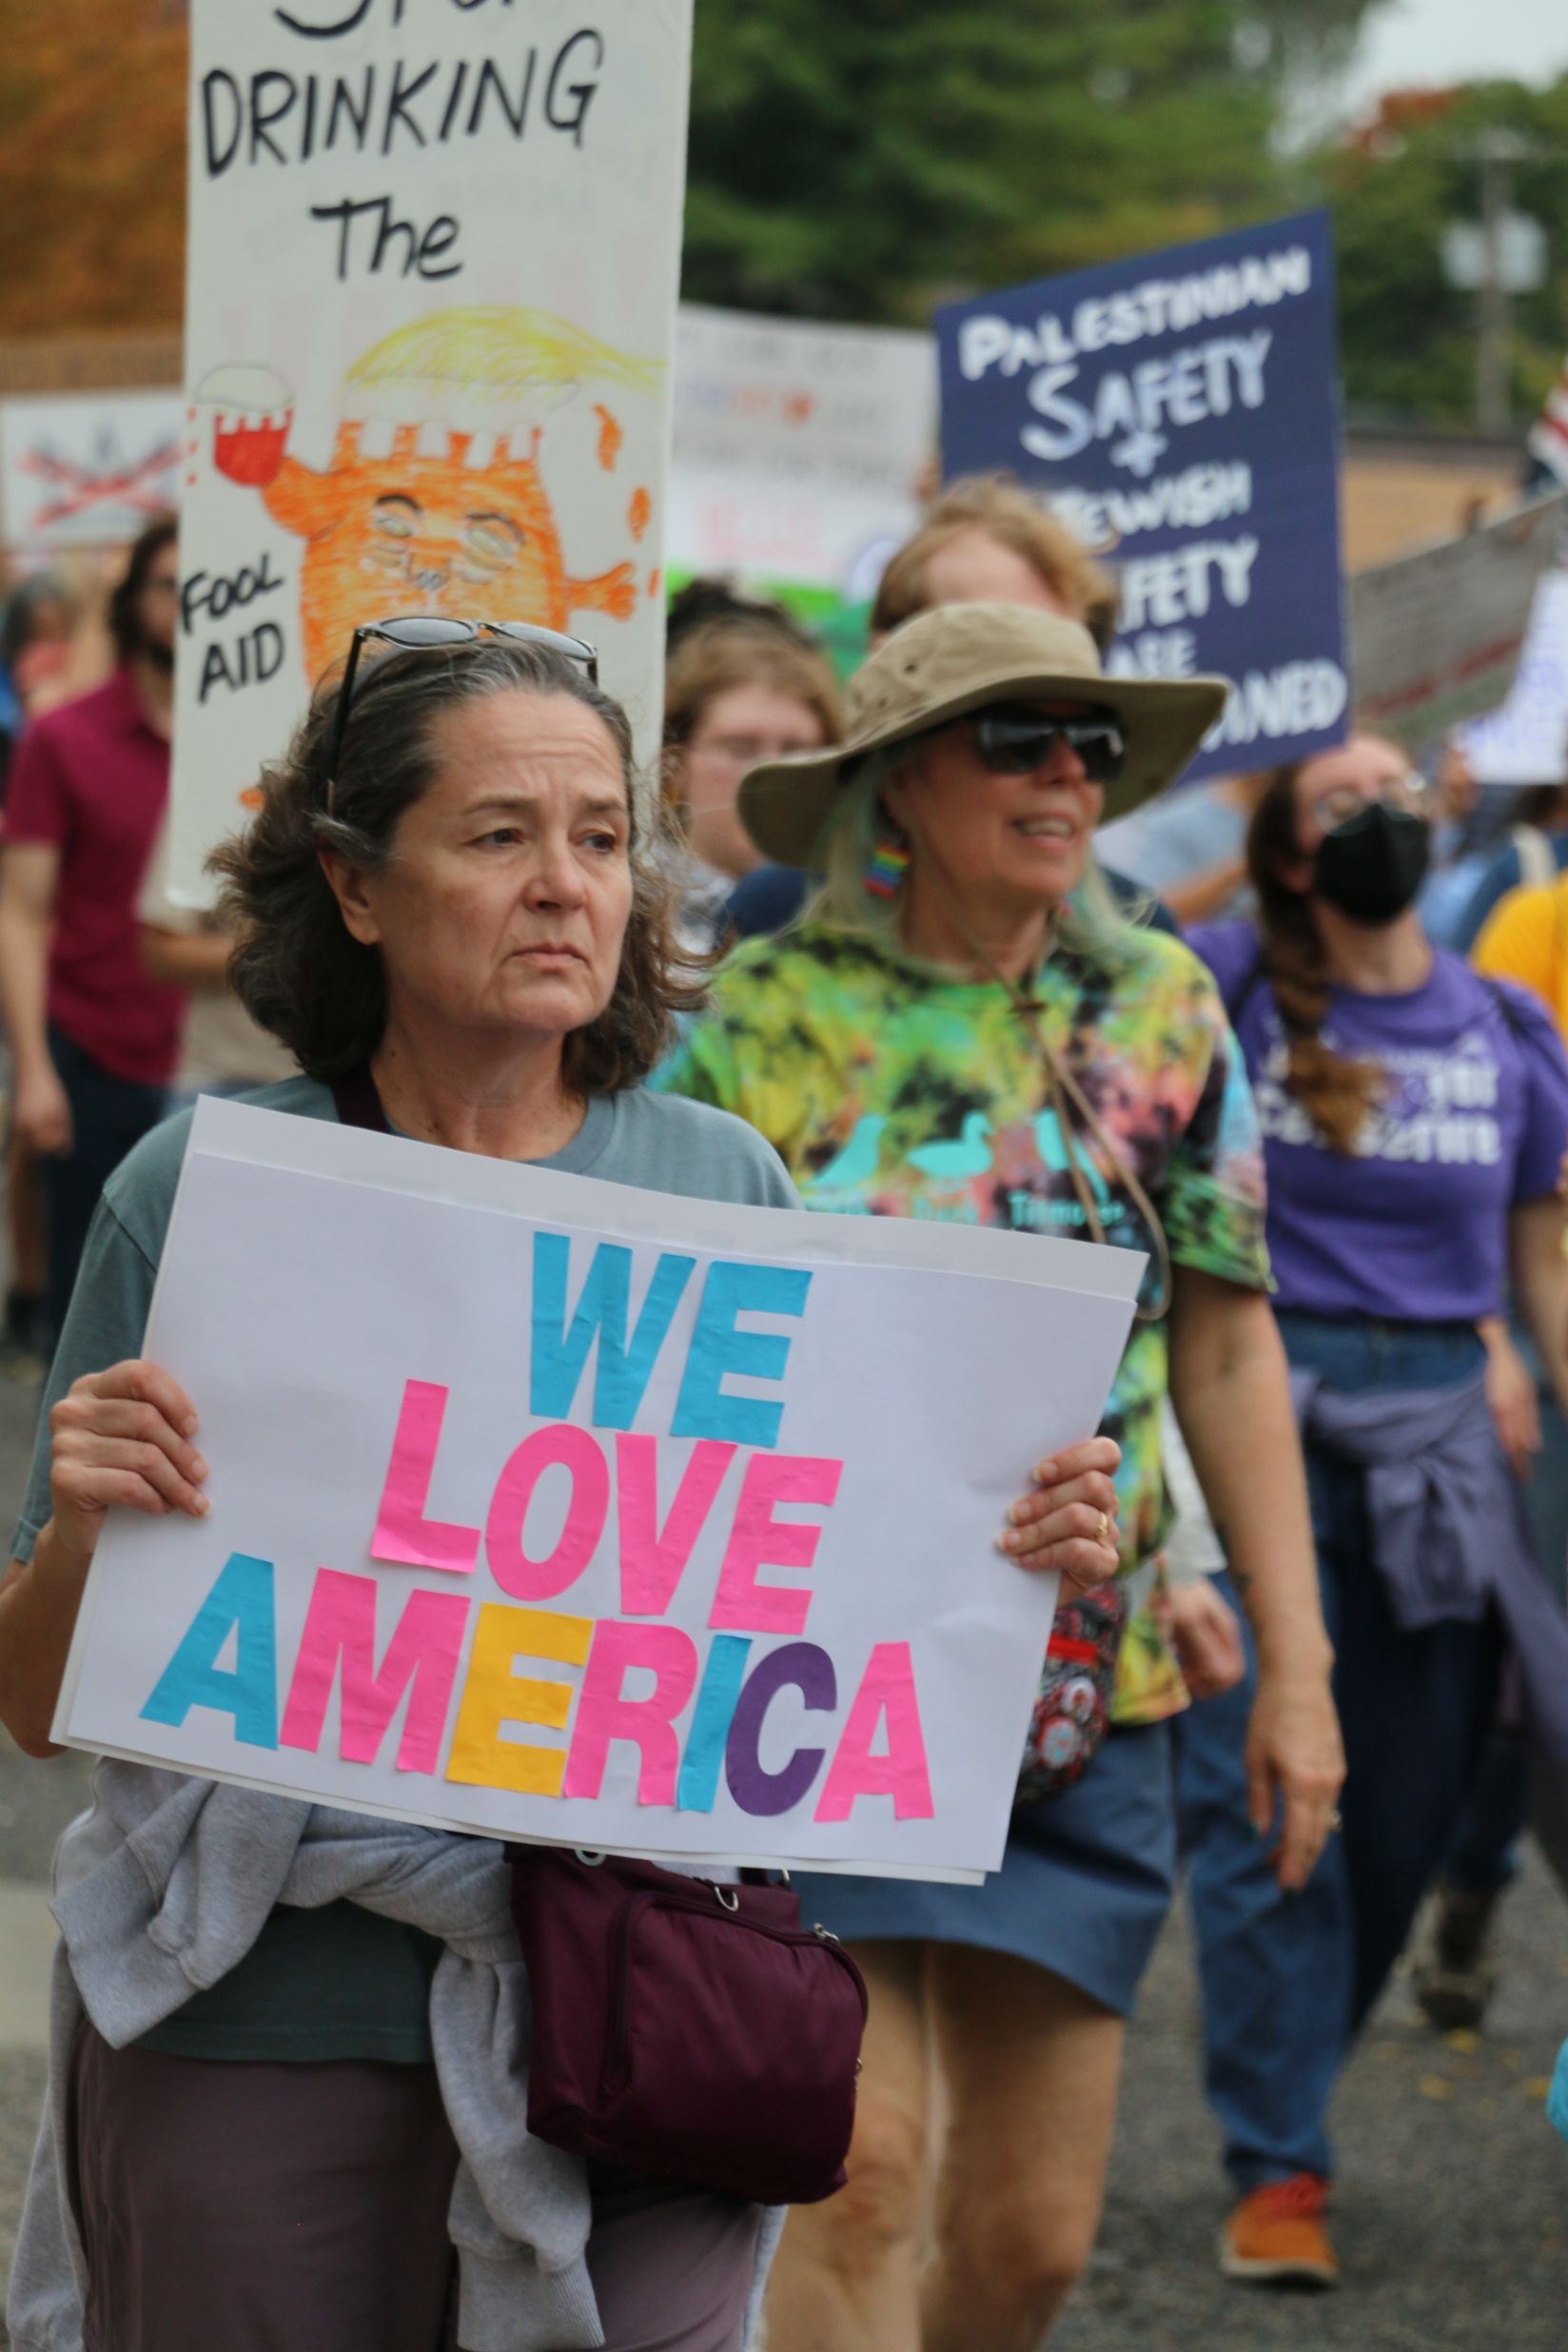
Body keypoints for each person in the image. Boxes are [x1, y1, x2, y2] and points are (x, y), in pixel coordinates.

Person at [0, 621, 1107, 2352]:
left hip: (647, 2011)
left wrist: (1005, 1541)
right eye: (499, 834)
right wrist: (84, 1526)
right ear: (355, 885)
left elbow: (809, 1582)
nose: (563, 885)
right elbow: (33, 1703)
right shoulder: (206, 1186)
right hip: (265, 2014)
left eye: (599, 837)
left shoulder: (721, 1184)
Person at [657, 600, 1343, 2352]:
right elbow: (674, 1342)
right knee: (860, 2168)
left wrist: (1299, 1667)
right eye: (1016, 738)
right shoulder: (761, 1017)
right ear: (895, 782)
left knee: (1033, 2239)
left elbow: (1226, 1351)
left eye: (1091, 745)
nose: (1064, 775)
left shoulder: (1160, 1006)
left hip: (1083, 1685)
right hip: (814, 1673)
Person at [1178, 732, 1568, 2289]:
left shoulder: (1508, 1026)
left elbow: (1539, 1264)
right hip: (1254, 1418)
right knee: (1264, 1789)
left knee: (1402, 1808)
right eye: (1340, 800)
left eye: (1399, 790)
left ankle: (1288, 2076)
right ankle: (1276, 2162)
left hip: (1445, 1444)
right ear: (1288, 853)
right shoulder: (1227, 986)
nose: (1382, 815)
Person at [730, 473, 1179, 944]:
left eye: (1091, 739)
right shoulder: (778, 922)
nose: (1065, 765)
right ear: (885, 661)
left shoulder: (1142, 945)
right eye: (984, 636)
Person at [0, 517, 186, 1349]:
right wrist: (34, 1071)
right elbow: (21, 911)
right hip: (95, 1057)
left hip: (225, 1068)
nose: (191, 606)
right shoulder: (63, 739)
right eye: (171, 586)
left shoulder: (247, 753)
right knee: (90, 1327)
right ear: (132, 601)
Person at [660, 614, 841, 947]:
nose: (770, 775)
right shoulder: (631, 917)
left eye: (795, 751)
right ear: (674, 767)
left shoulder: (861, 919)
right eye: (740, 749)